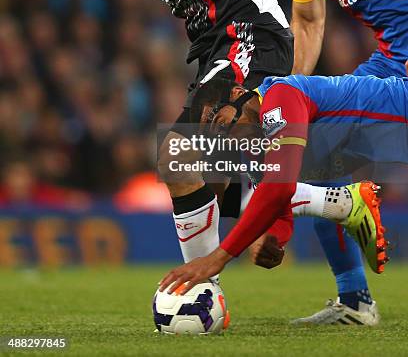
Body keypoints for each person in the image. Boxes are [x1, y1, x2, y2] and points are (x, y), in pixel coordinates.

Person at [71, 0, 372, 294]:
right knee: (190, 170)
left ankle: (199, 291)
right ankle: (333, 205)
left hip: (249, 30)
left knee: (187, 152)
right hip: (215, 45)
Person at [259, 0, 408, 324]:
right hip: (391, 64)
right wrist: (298, 92)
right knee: (316, 156)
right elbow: (307, 23)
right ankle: (355, 301)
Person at [159, 72, 399, 327]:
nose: (225, 138)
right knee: (325, 188)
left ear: (238, 94)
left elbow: (280, 188)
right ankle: (356, 301)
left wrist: (216, 259)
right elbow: (280, 209)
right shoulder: (256, 147)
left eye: (221, 123)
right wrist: (273, 239)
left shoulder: (279, 97)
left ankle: (348, 208)